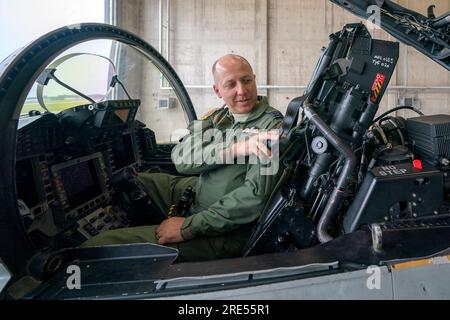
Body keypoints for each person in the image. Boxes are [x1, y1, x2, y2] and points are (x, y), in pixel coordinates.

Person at [82, 54, 283, 261]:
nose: (242, 91)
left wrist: (188, 227)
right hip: (202, 196)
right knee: (135, 180)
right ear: (217, 91)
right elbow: (183, 160)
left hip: (225, 233)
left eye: (246, 80)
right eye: (231, 84)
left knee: (99, 245)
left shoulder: (271, 130)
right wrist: (234, 149)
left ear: (254, 79)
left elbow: (255, 198)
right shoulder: (220, 117)